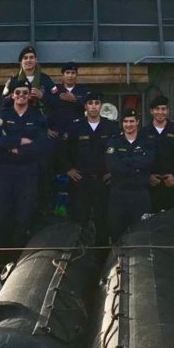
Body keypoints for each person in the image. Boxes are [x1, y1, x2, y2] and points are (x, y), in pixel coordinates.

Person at [0, 82, 48, 248]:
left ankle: (18, 255)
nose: (21, 95)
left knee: (24, 214)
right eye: (18, 92)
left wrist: (17, 150)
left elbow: (41, 144)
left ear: (29, 95)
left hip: (28, 171)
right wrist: (20, 141)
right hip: (5, 171)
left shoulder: (38, 117)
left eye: (25, 93)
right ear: (12, 95)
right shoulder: (2, 116)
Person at [63, 93, 118, 244]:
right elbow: (63, 150)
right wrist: (68, 169)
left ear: (100, 105)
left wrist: (114, 172)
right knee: (79, 219)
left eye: (96, 103)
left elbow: (120, 151)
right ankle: (78, 254)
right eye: (90, 103)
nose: (94, 106)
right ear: (86, 106)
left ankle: (102, 256)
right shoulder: (76, 126)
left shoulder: (111, 126)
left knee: (103, 220)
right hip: (81, 181)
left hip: (103, 181)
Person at [106, 109, 156, 242]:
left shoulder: (147, 141)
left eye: (132, 121)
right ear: (122, 123)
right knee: (117, 231)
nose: (129, 125)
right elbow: (112, 166)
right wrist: (136, 165)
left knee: (141, 232)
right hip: (119, 193)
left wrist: (125, 161)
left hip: (140, 193)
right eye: (126, 121)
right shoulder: (114, 142)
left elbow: (148, 161)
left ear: (137, 122)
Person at [139, 95, 174, 212]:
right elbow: (139, 158)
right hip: (151, 187)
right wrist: (148, 177)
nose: (160, 112)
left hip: (173, 186)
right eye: (157, 109)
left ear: (167, 111)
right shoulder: (143, 133)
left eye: (163, 109)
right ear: (151, 111)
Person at [47, 62, 89, 136]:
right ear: (63, 75)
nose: (70, 75)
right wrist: (46, 129)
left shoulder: (83, 90)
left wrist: (75, 99)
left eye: (73, 73)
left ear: (76, 75)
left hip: (77, 132)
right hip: (57, 132)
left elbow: (89, 106)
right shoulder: (55, 90)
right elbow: (47, 109)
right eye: (67, 72)